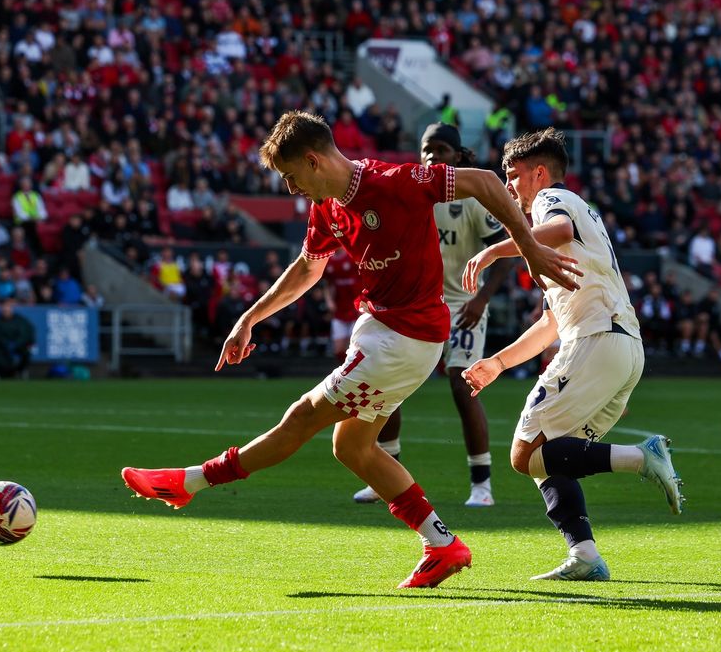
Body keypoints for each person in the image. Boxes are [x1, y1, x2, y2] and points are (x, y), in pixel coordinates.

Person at [121, 111, 581, 589]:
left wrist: (526, 245)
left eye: (291, 175)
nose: (291, 187)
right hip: (384, 330)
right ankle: (443, 544)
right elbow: (307, 268)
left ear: (315, 161)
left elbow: (486, 182)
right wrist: (249, 317)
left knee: (302, 418)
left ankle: (189, 482)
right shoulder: (327, 207)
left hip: (406, 338)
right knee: (352, 446)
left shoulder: (394, 181)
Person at [460, 128, 685, 582]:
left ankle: (643, 456)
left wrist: (494, 252)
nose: (508, 187)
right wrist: (499, 363)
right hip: (619, 348)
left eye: (513, 175)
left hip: (597, 341)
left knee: (525, 452)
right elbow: (550, 325)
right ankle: (585, 555)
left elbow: (557, 227)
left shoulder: (551, 201)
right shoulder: (564, 236)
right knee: (549, 455)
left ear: (539, 174)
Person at [350, 124, 511, 508]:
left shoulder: (470, 199)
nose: (432, 157)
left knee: (463, 384)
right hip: (417, 305)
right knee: (386, 386)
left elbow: (505, 252)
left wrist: (481, 300)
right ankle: (382, 477)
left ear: (457, 157)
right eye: (426, 149)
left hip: (463, 308)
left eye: (441, 150)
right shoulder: (411, 192)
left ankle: (481, 485)